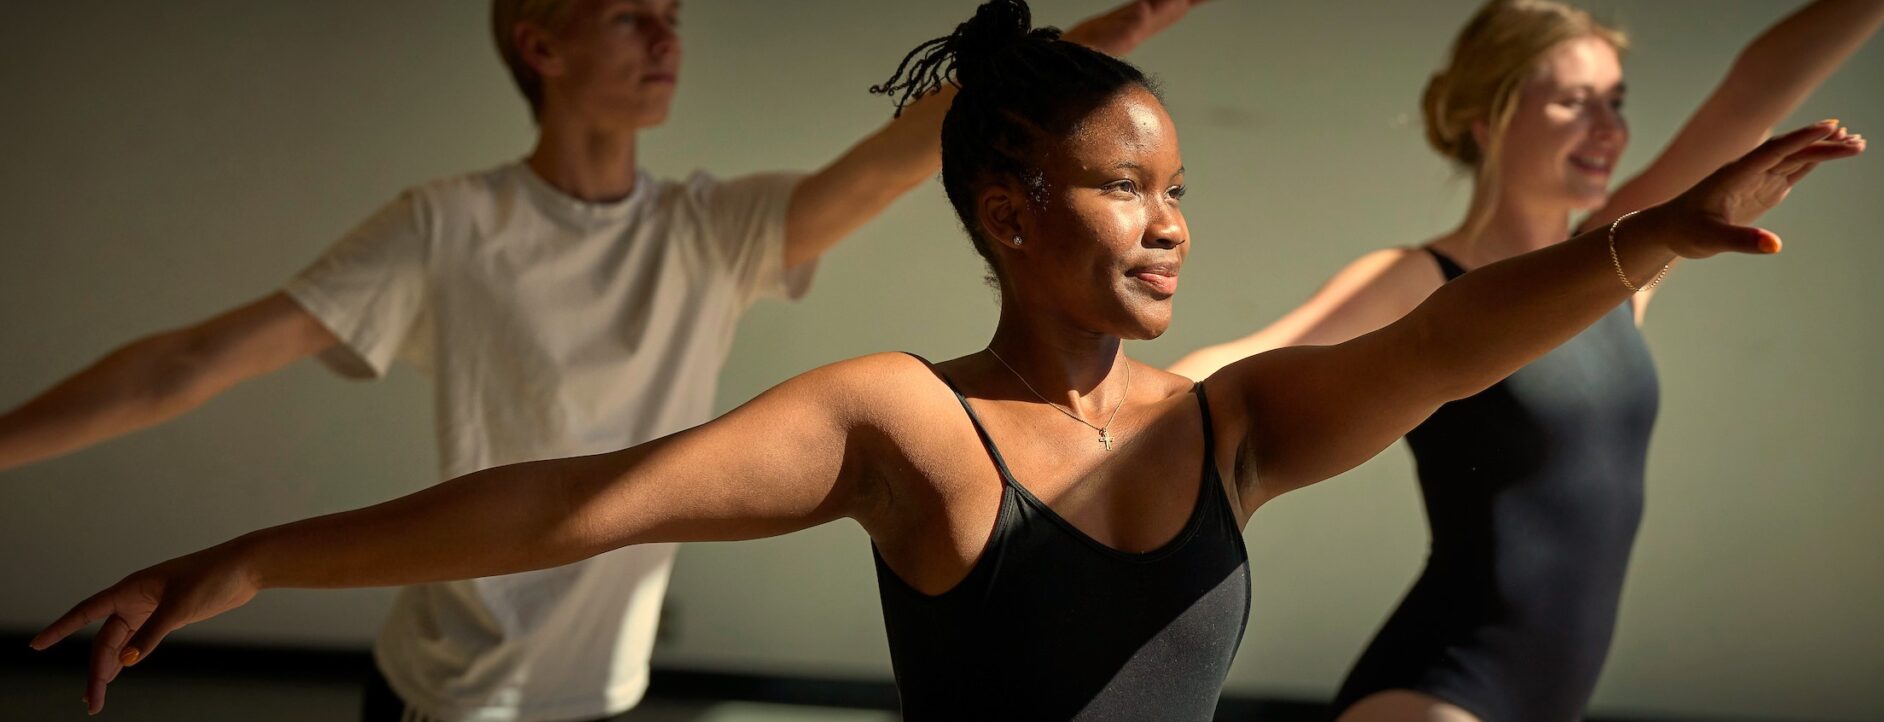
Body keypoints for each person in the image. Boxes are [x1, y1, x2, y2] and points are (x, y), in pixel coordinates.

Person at [31, 0, 1864, 718]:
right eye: (1120, 187)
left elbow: (1459, 330)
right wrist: (254, 554)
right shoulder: (902, 422)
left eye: (1179, 190)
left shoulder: (1233, 424)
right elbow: (577, 499)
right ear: (1002, 210)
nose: (1166, 223)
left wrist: (1647, 238)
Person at [0, 0, 1201, 719]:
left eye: (674, 12)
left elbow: (901, 148)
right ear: (541, 41)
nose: (666, 32)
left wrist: (1090, 49)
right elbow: (193, 360)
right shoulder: (447, 225)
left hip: (608, 696)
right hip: (453, 696)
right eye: (630, 11)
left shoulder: (709, 228)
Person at [1167, 2, 1884, 720]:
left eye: (1615, 101)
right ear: (1492, 119)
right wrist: (1081, 420)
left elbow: (1755, 90)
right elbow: (1235, 367)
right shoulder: (1423, 279)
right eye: (1575, 103)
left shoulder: (1618, 258)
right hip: (1437, 695)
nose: (1608, 129)